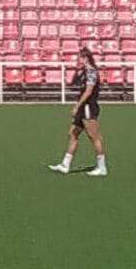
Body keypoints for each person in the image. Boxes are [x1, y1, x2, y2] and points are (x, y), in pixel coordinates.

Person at [50, 48, 108, 177]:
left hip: (88, 107)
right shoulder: (83, 72)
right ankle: (65, 165)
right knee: (73, 133)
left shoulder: (92, 72)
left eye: (79, 58)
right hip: (83, 108)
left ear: (86, 58)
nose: (77, 60)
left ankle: (102, 167)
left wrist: (77, 106)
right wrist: (77, 70)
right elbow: (72, 83)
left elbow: (88, 91)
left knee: (94, 137)